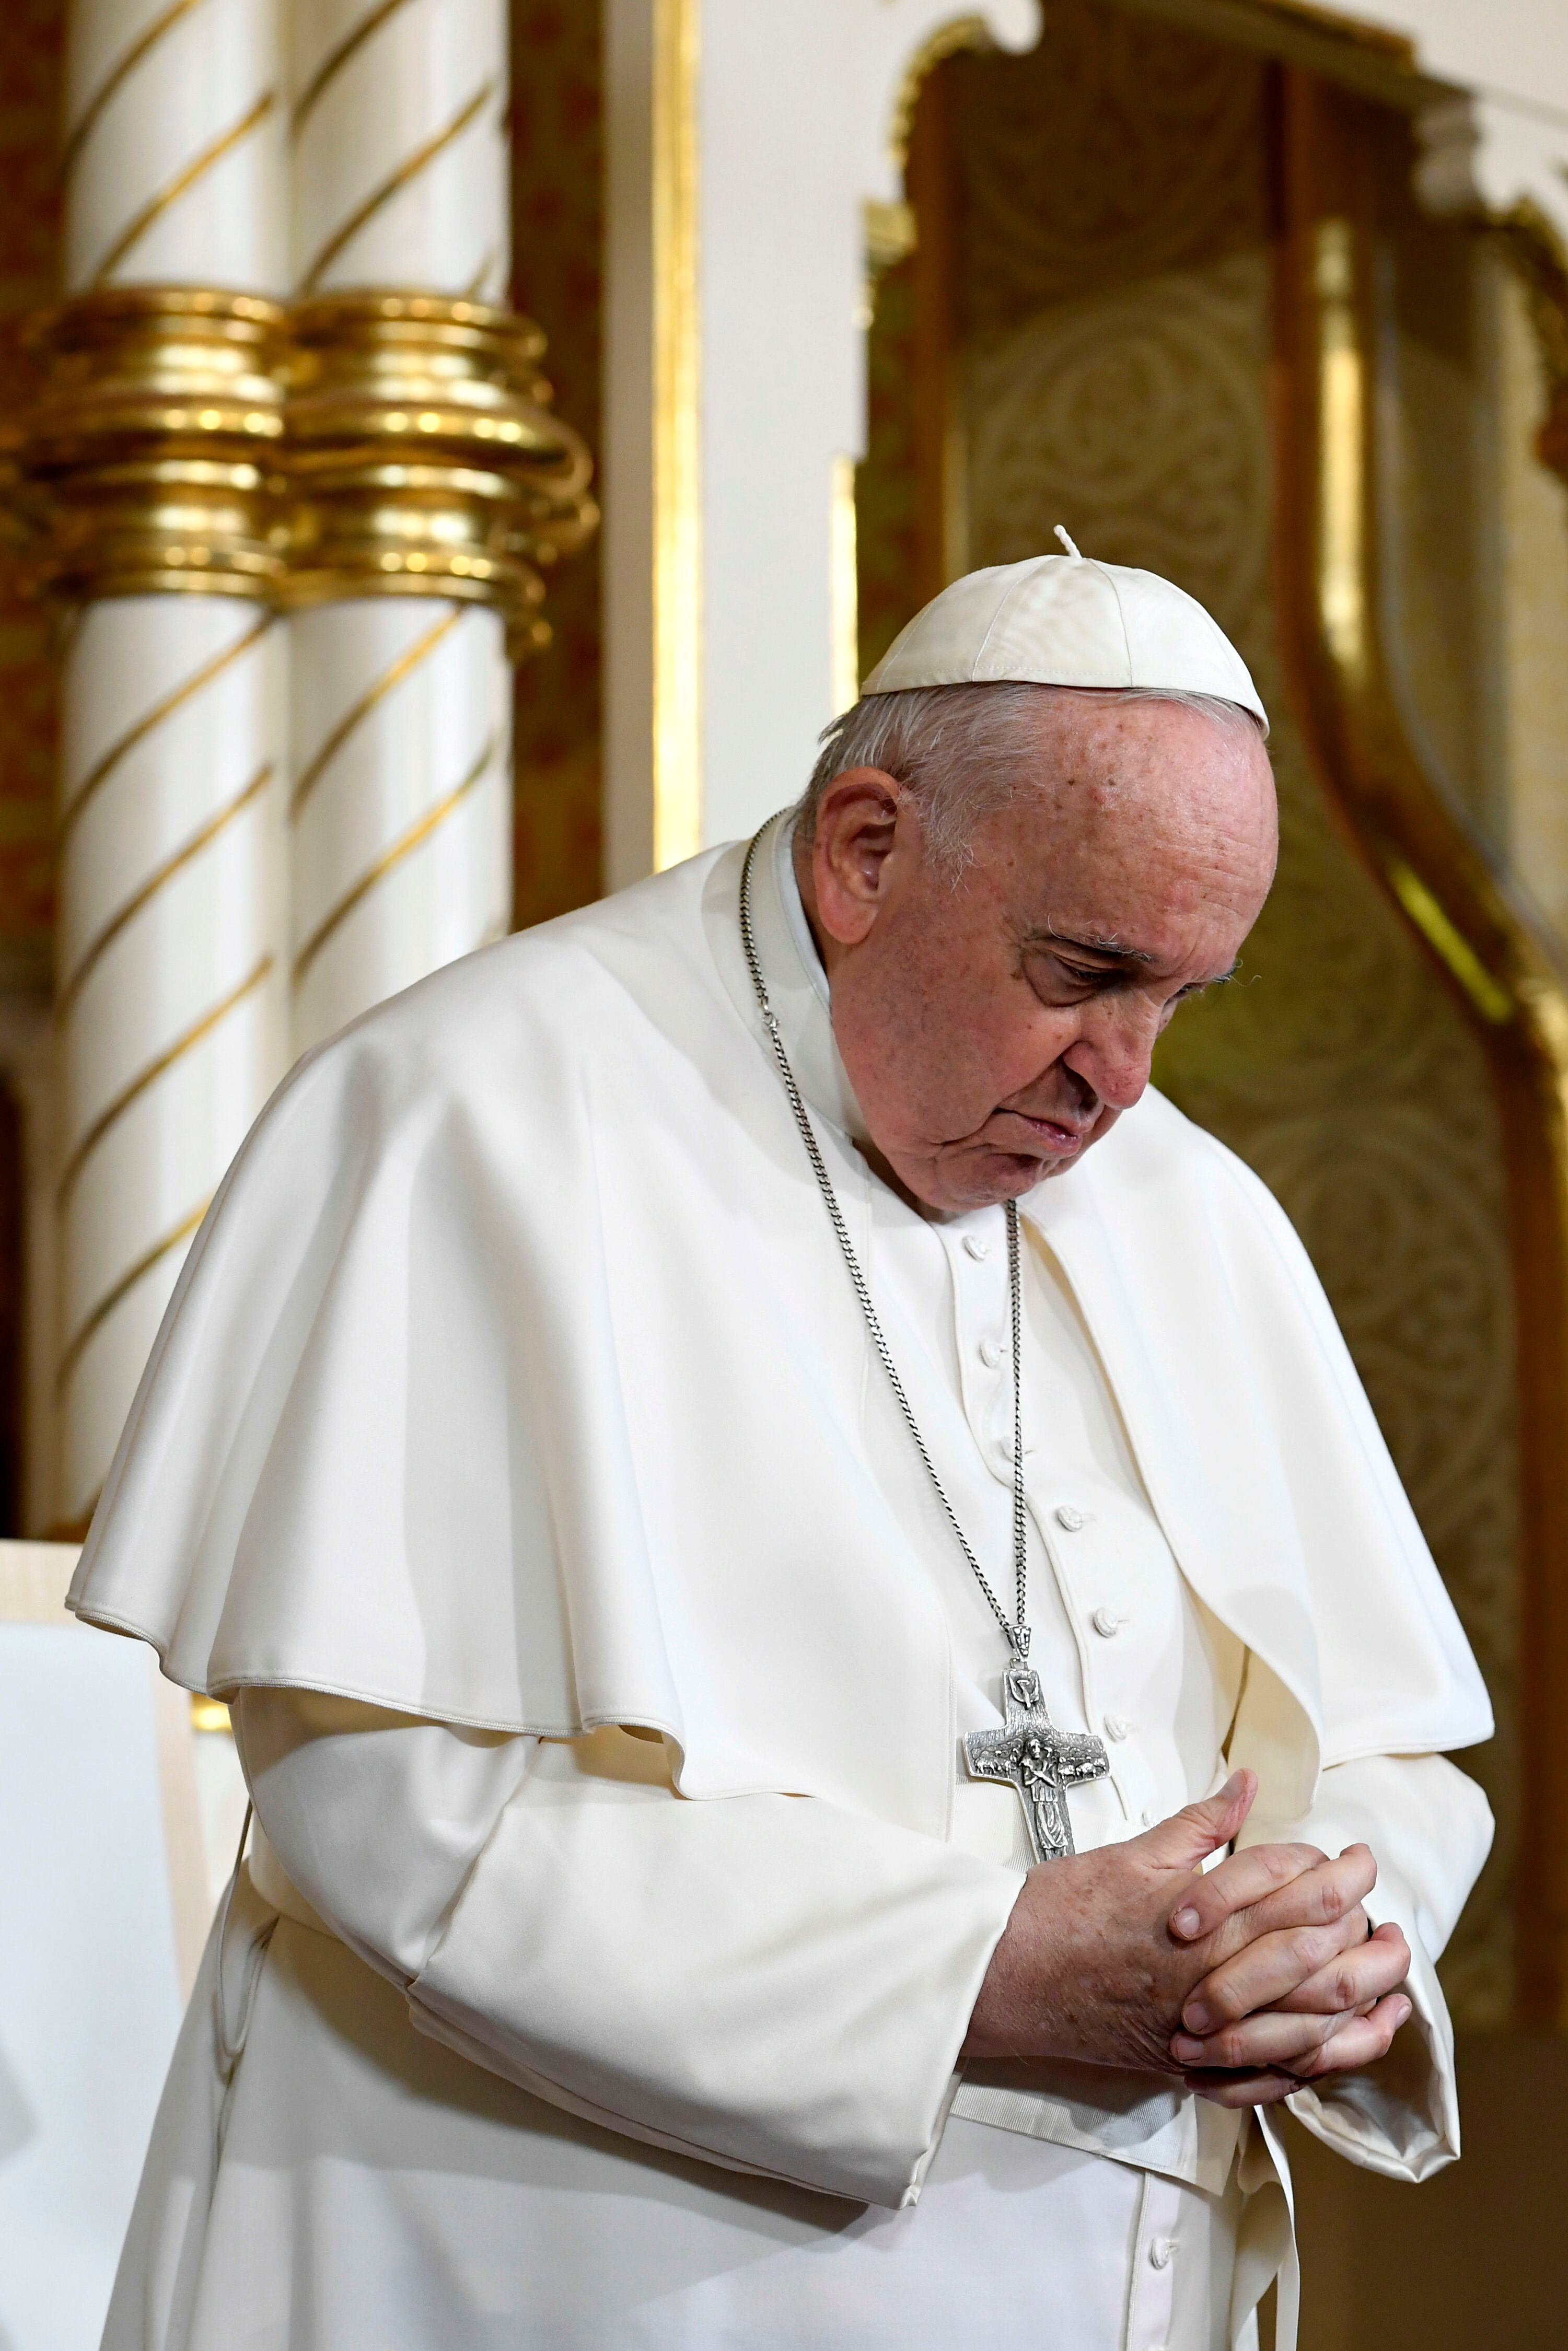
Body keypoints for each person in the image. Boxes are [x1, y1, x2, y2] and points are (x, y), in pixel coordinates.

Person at [72, 551, 1493, 2351]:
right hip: (580, 2276)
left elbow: (1392, 1760)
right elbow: (387, 1811)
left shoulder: (1184, 1207)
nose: (1121, 1080)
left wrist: (1325, 1944)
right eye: (1082, 970)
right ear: (866, 850)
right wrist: (977, 1968)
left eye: (1180, 997)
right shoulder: (473, 1114)